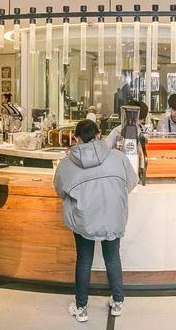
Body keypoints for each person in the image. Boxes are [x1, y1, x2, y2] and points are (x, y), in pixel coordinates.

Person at [54, 120, 138, 323]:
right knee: (113, 257)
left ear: (76, 138)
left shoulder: (66, 163)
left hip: (84, 217)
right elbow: (131, 182)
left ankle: (81, 308)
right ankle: (117, 302)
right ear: (99, 134)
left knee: (84, 259)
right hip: (113, 214)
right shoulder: (117, 157)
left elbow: (59, 190)